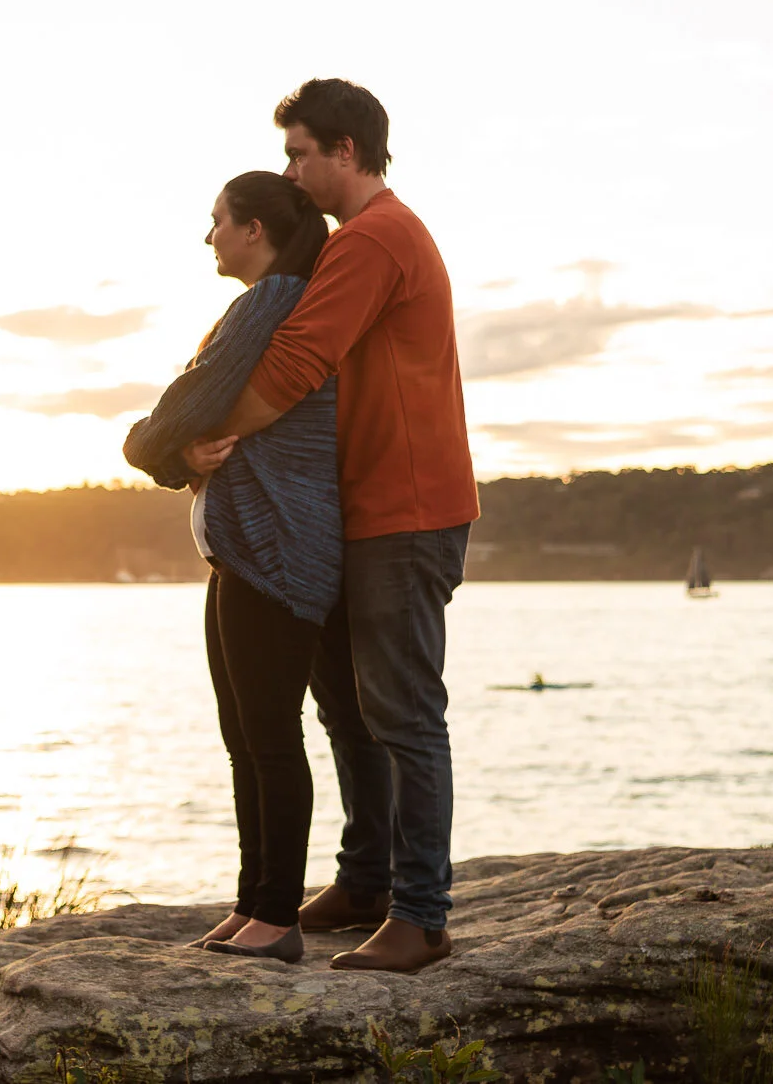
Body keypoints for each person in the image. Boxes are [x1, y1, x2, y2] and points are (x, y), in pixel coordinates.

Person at [195, 78, 478, 974]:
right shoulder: (365, 240)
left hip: (406, 510)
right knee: (348, 710)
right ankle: (366, 881)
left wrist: (209, 433)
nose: (292, 170)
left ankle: (422, 913)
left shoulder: (374, 239)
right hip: (355, 515)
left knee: (401, 712)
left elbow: (296, 360)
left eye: (301, 152)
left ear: (346, 152)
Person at [122, 171, 341, 964]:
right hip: (247, 553)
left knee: (269, 736)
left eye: (216, 221)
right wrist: (180, 452)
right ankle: (255, 902)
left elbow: (180, 406)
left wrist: (151, 446)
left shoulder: (269, 300)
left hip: (277, 553)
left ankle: (278, 915)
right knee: (244, 735)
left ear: (253, 230)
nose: (207, 235)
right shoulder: (272, 301)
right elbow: (192, 421)